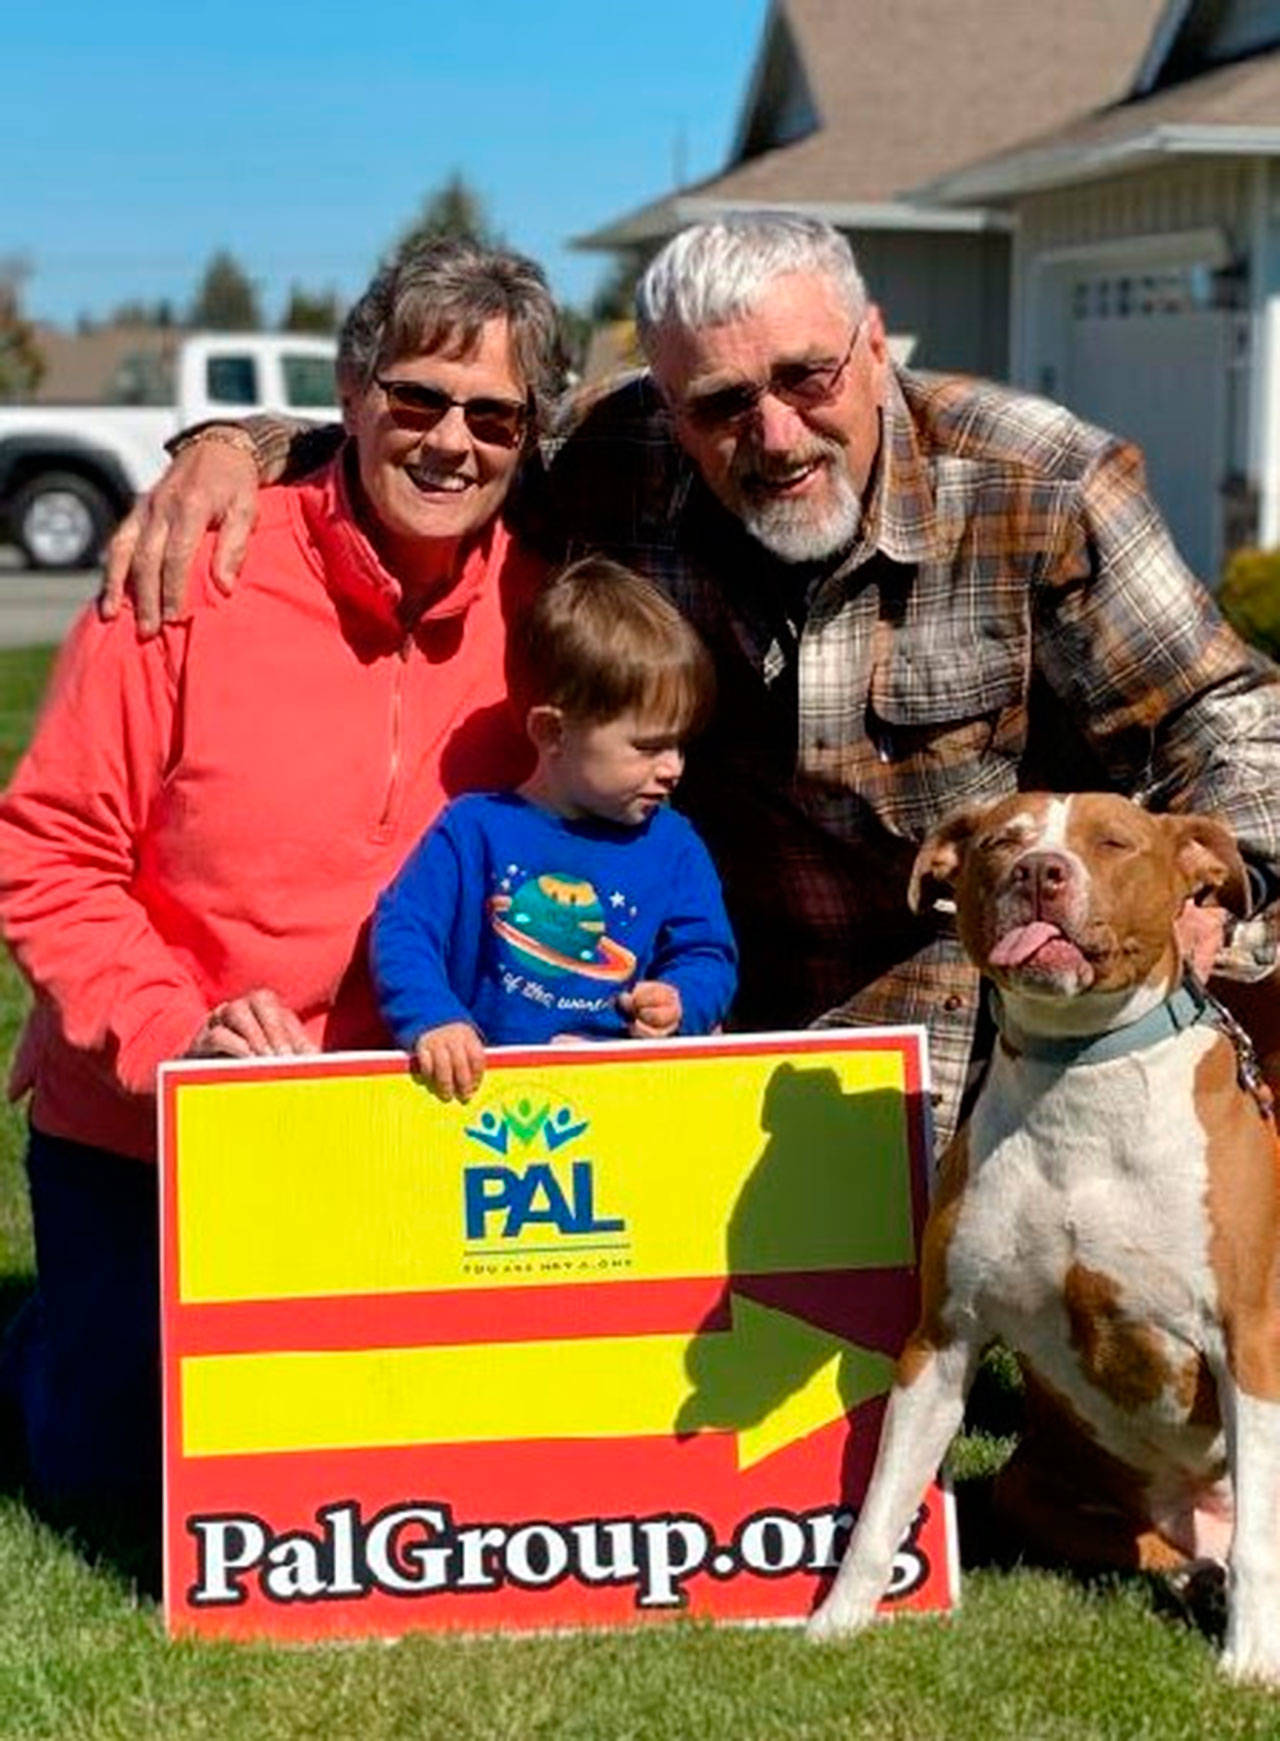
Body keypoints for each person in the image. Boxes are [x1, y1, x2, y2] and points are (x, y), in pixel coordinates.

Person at [103, 212, 1280, 1156]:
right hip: (702, 994)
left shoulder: (1040, 482)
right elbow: (439, 432)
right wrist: (235, 449)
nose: (772, 433)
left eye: (806, 377)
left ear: (873, 346)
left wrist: (1225, 887)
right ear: (669, 405)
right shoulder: (620, 456)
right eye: (720, 403)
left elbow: (1222, 714)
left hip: (985, 993)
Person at [0, 235, 564, 1530]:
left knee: (403, 1489)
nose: (448, 441)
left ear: (529, 438)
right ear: (353, 395)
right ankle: (58, 1340)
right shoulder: (192, 566)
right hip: (154, 1123)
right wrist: (174, 1037)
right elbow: (49, 847)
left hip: (405, 1128)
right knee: (123, 1491)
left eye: (491, 414)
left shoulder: (547, 620)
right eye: (415, 397)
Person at [372, 557, 737, 1102]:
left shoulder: (675, 846)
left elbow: (707, 953)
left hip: (626, 1102)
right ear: (551, 732)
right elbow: (405, 930)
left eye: (679, 743)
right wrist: (433, 1018)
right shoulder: (474, 832)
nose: (674, 768)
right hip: (479, 1103)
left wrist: (681, 1000)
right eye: (648, 746)